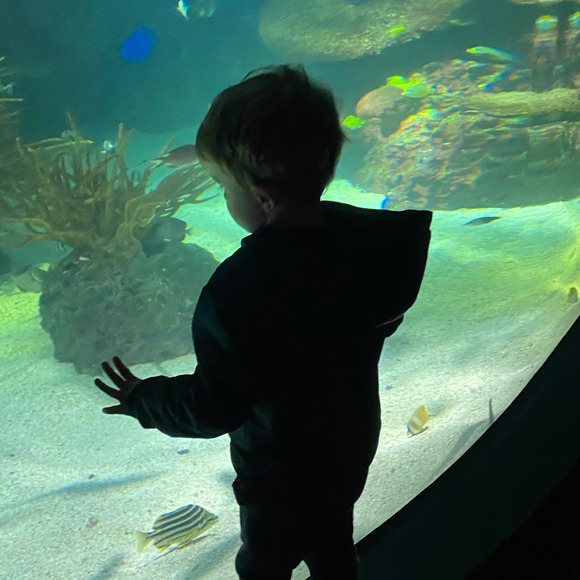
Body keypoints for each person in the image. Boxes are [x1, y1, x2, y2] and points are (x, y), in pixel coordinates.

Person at [95, 64, 432, 579]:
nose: (224, 198)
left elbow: (213, 407)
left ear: (262, 197)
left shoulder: (238, 290)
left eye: (222, 186)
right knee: (333, 543)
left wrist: (146, 398)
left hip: (280, 474)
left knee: (264, 564)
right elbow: (378, 319)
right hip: (349, 447)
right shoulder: (371, 242)